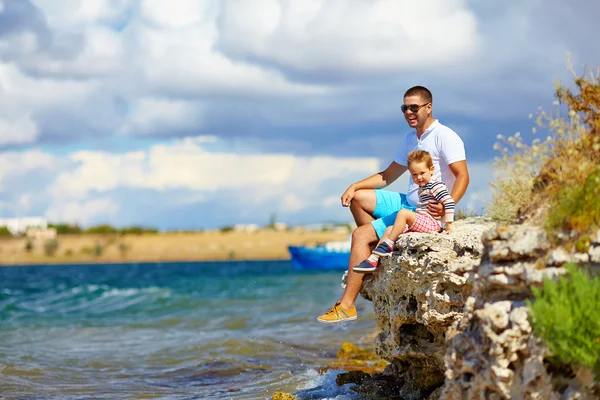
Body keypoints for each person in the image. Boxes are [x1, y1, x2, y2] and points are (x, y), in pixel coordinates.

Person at [316, 85, 470, 324]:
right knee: (358, 197)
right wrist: (353, 186)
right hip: (405, 202)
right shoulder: (410, 139)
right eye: (404, 108)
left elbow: (463, 176)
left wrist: (446, 205)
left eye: (414, 107)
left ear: (429, 108)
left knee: (359, 235)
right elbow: (388, 176)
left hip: (421, 211)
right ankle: (377, 248)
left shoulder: (445, 136)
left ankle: (347, 306)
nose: (409, 112)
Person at [353, 149, 455, 273]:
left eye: (422, 173)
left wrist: (448, 226)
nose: (419, 177)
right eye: (415, 175)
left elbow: (448, 202)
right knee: (390, 229)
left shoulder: (436, 186)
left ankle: (388, 244)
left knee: (403, 213)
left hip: (431, 223)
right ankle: (373, 260)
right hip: (422, 220)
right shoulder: (423, 187)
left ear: (432, 170)